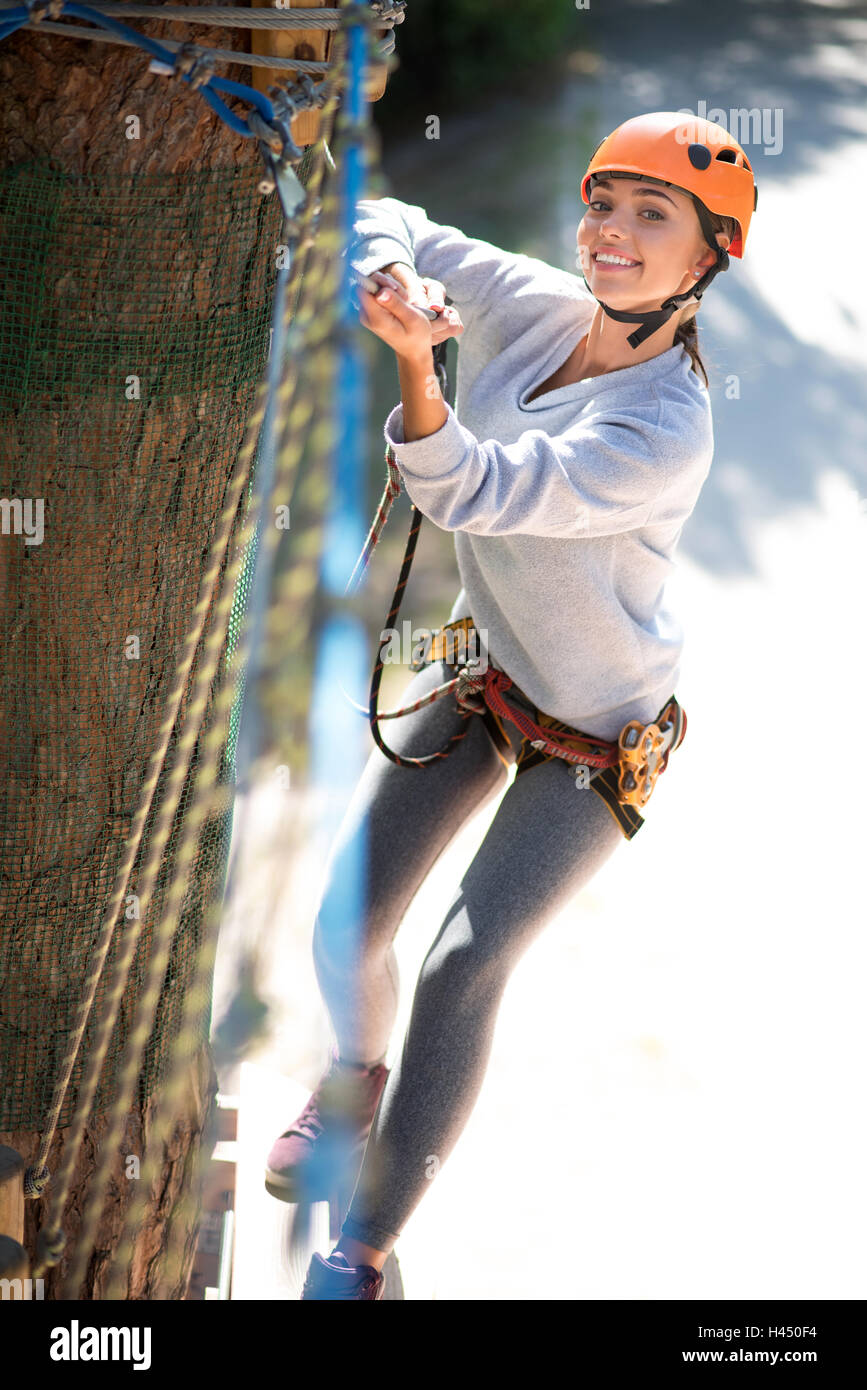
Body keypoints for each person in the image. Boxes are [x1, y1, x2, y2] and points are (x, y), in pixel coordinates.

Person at [265, 111, 757, 1299]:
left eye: (654, 218)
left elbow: (482, 489)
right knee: (347, 918)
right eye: (605, 203)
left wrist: (419, 366)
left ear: (704, 265)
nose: (614, 233)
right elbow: (403, 220)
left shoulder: (661, 429)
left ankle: (365, 1251)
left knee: (460, 966)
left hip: (599, 740)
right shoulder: (537, 306)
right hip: (498, 678)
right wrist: (390, 268)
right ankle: (353, 1082)